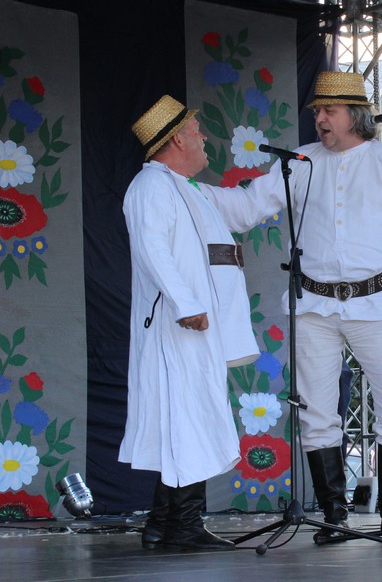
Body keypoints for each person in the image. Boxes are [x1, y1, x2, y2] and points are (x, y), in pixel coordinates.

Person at [227, 71, 382, 541]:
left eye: (330, 110)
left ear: (355, 115)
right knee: (316, 412)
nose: (320, 118)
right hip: (313, 306)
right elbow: (245, 208)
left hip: (378, 303)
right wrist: (189, 194)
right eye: (317, 111)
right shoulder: (302, 161)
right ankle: (333, 512)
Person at [120, 94, 261, 550]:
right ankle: (183, 526)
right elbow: (153, 248)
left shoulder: (185, 190)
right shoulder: (152, 187)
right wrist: (186, 303)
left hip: (194, 327)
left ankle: (162, 524)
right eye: (196, 131)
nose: (204, 139)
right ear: (177, 139)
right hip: (177, 326)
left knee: (187, 418)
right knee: (187, 419)